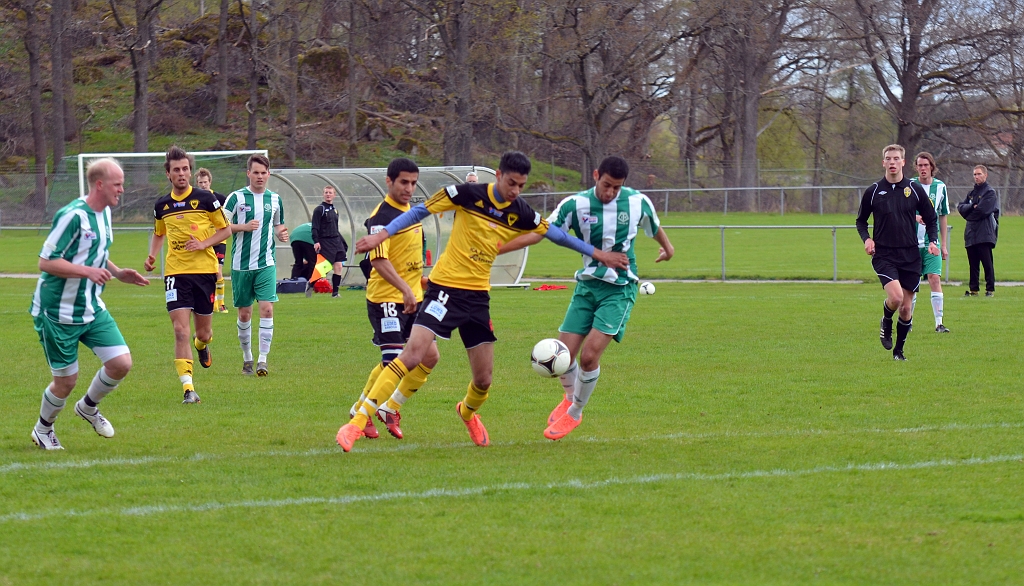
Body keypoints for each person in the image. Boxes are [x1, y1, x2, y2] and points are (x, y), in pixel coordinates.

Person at [336, 151, 628, 452]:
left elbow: (557, 235)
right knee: (412, 354)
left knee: (484, 380)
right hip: (444, 289)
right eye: (511, 183)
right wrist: (381, 235)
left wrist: (599, 255)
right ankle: (357, 422)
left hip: (477, 299)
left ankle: (467, 412)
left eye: (521, 186)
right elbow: (419, 211)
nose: (515, 191)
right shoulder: (466, 194)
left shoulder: (520, 210)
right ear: (498, 175)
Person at [498, 156, 675, 440]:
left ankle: (575, 412)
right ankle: (570, 397)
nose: (610, 192)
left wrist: (668, 248)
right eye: (606, 185)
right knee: (564, 355)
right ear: (595, 175)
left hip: (619, 288)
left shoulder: (637, 202)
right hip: (587, 286)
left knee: (590, 356)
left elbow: (653, 226)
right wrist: (498, 248)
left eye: (616, 187)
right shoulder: (575, 205)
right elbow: (542, 232)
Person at [29, 158, 150, 450]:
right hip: (58, 312)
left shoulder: (104, 213)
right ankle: (43, 429)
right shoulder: (72, 216)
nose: (122, 190)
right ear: (99, 184)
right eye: (117, 184)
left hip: (91, 307)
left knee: (121, 363)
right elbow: (46, 262)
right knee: (66, 381)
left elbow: (95, 252)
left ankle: (87, 407)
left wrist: (117, 273)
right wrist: (87, 272)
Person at [346, 158, 438, 440]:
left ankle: (390, 407)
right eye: (403, 182)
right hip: (386, 298)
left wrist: (420, 283)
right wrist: (405, 289)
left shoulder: (412, 212)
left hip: (413, 297)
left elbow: (407, 257)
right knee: (394, 360)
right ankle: (361, 412)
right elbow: (379, 261)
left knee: (430, 356)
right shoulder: (381, 217)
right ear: (389, 181)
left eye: (413, 183)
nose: (409, 188)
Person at [145, 146, 232, 403]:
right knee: (180, 330)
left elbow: (225, 230)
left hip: (204, 272)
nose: (181, 173)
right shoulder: (162, 205)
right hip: (176, 274)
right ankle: (188, 389)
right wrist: (152, 255)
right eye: (176, 170)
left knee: (203, 333)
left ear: (190, 172)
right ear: (168, 174)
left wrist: (204, 244)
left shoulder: (206, 199)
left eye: (185, 169)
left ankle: (202, 345)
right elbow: (159, 233)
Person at [856, 144, 940, 361]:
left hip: (910, 255)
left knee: (905, 308)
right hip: (884, 254)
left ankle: (899, 352)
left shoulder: (914, 189)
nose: (892, 162)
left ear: (903, 162)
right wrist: (867, 239)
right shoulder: (874, 191)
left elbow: (931, 218)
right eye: (888, 158)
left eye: (896, 158)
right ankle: (886, 320)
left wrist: (933, 241)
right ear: (883, 162)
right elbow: (861, 221)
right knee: (896, 297)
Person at [222, 153, 289, 376]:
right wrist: (243, 227)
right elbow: (219, 226)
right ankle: (247, 358)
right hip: (241, 265)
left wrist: (281, 233)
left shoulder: (275, 199)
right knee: (244, 314)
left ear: (268, 174)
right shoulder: (236, 198)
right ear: (248, 173)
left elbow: (278, 225)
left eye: (264, 173)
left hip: (266, 263)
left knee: (267, 308)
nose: (260, 176)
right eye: (256, 172)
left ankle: (262, 360)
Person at [911, 153, 950, 332]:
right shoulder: (910, 185)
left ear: (932, 167)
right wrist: (915, 217)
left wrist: (944, 245)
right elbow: (900, 211)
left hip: (931, 242)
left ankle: (939, 323)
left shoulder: (940, 187)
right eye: (920, 165)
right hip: (911, 242)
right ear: (916, 167)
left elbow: (943, 215)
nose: (923, 168)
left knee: (934, 278)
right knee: (911, 283)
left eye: (926, 165)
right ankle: (907, 322)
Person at [958, 165, 999, 297]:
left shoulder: (989, 192)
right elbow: (960, 207)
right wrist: (971, 207)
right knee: (973, 264)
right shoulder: (971, 193)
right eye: (975, 174)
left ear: (985, 175)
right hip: (971, 233)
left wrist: (968, 214)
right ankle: (973, 289)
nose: (976, 176)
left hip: (984, 233)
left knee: (987, 263)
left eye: (979, 174)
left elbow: (982, 211)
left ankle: (990, 289)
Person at [195, 168, 230, 313]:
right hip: (204, 240)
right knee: (204, 272)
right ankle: (208, 302)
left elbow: (228, 217)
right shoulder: (195, 200)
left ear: (210, 182)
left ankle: (220, 304)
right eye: (200, 183)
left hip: (219, 240)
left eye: (205, 182)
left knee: (218, 271)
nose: (203, 185)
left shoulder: (220, 198)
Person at [311, 185, 349, 297]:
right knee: (325, 267)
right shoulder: (319, 209)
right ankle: (311, 283)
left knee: (339, 266)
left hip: (336, 241)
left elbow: (335, 228)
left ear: (334, 195)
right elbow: (314, 227)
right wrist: (316, 241)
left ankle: (335, 293)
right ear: (323, 194)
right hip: (325, 242)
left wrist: (342, 241)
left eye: (330, 192)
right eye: (326, 192)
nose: (328, 194)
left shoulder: (335, 210)